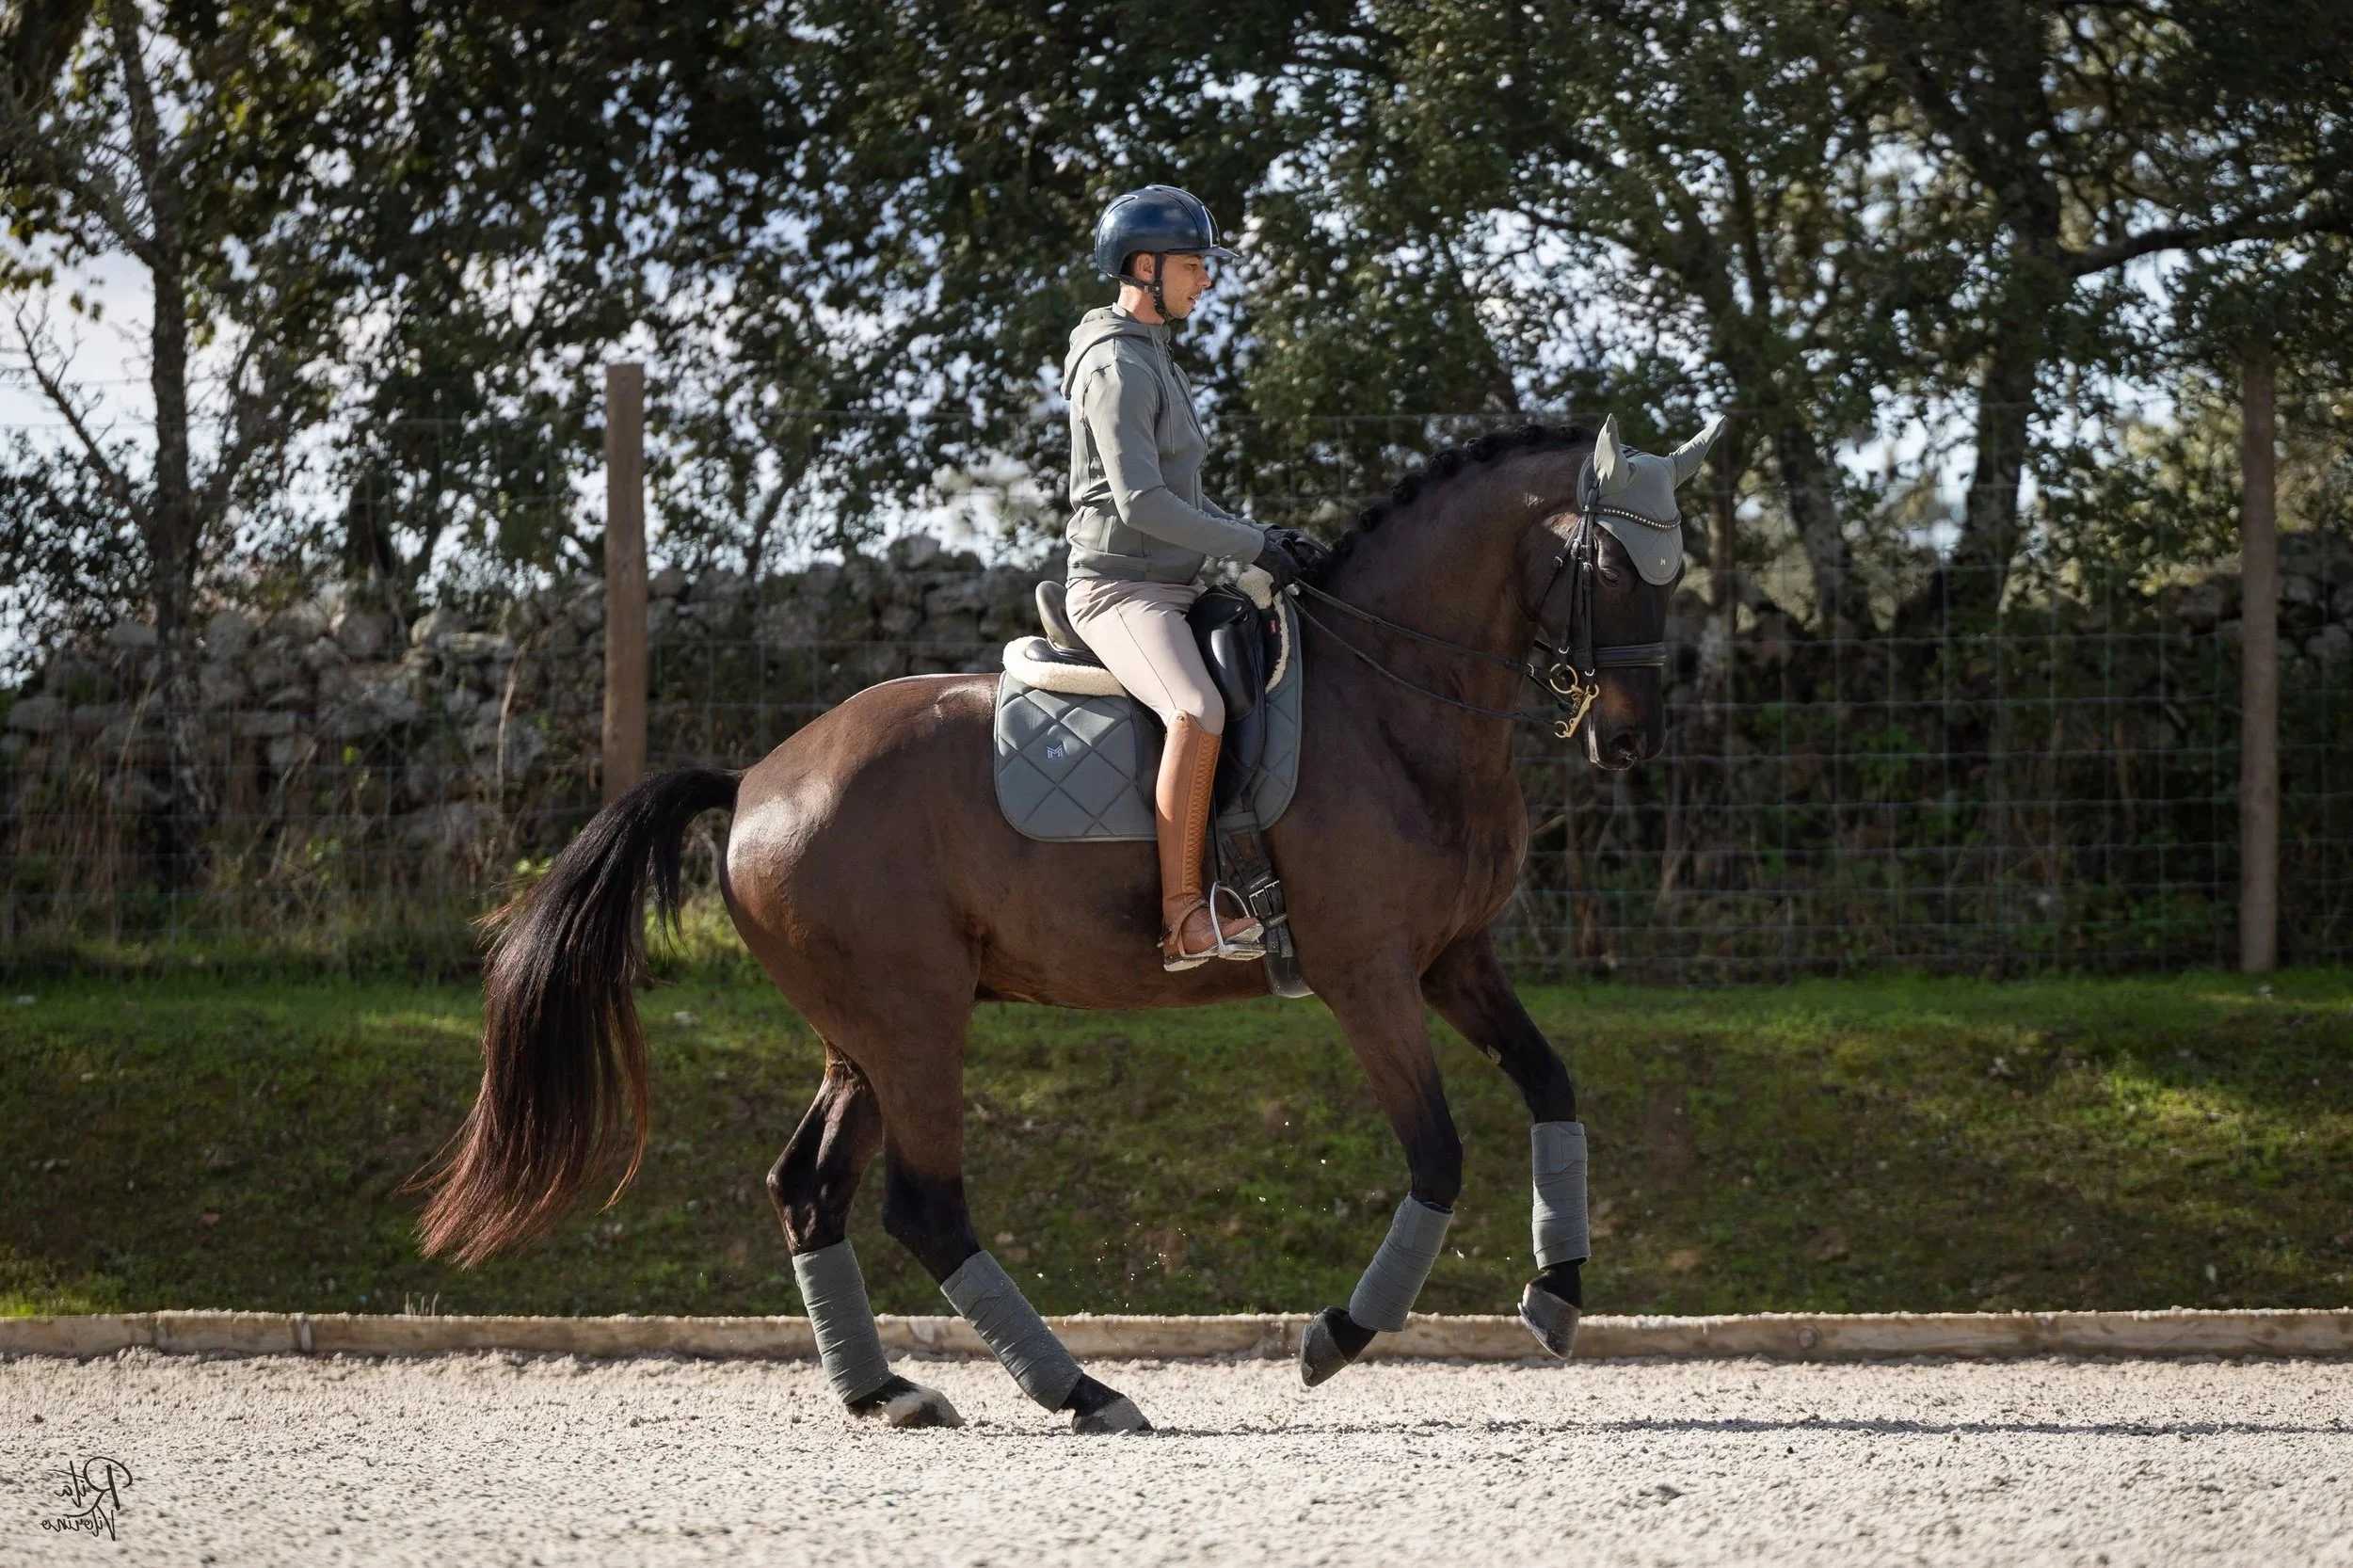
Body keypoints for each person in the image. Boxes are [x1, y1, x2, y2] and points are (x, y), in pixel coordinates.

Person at [1060, 184, 1324, 971]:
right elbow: (1141, 504)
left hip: (1172, 583)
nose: (1204, 280)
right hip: (1118, 589)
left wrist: (1261, 539)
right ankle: (1182, 917)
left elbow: (1183, 498)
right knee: (1197, 707)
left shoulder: (1153, 355)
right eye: (1192, 265)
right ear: (1145, 267)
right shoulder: (1116, 366)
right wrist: (1246, 543)